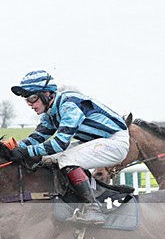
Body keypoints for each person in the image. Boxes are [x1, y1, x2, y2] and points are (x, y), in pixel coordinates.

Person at [10, 70, 129, 225]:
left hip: (115, 142)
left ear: (47, 94)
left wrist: (27, 151)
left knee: (67, 159)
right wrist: (10, 148)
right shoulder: (50, 113)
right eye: (27, 100)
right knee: (47, 159)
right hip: (95, 142)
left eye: (33, 98)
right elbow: (38, 137)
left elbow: (60, 143)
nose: (30, 104)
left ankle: (93, 209)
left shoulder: (69, 104)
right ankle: (93, 196)